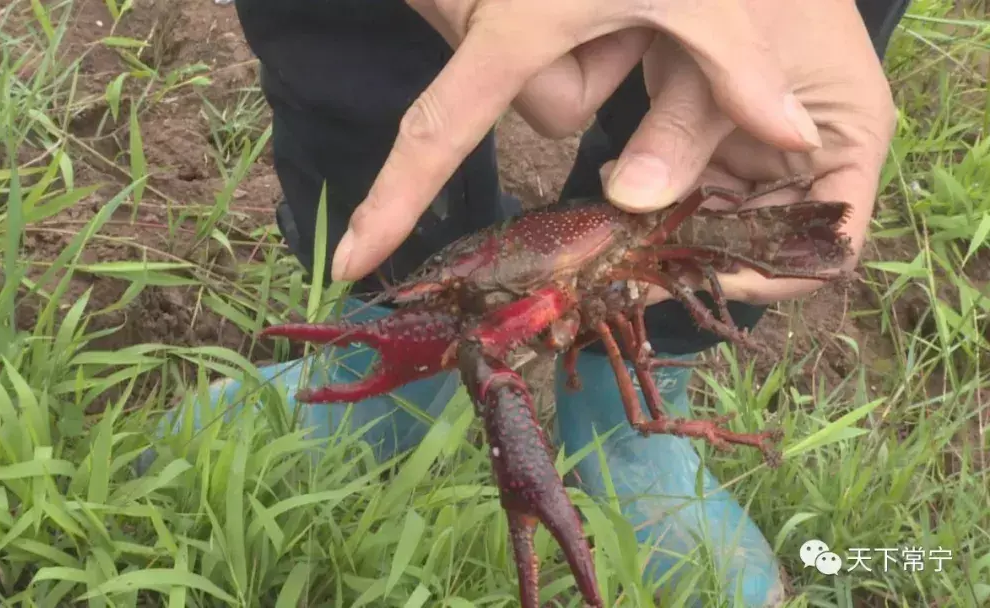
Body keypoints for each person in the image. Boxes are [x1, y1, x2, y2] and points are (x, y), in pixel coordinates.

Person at [177, 1, 907, 605]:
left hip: (658, 229)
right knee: (349, 61)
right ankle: (393, 380)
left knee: (711, 93)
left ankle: (628, 429)